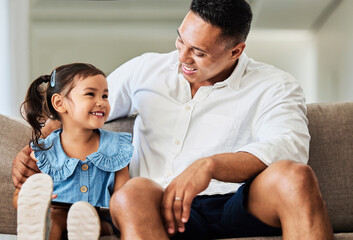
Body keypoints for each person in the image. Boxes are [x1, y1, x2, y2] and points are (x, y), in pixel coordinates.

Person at [12, 0, 334, 239]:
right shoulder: (146, 69)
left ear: (235, 51)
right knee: (129, 194)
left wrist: (210, 166)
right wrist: (39, 144)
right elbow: (85, 108)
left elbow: (289, 150)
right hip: (158, 204)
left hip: (239, 203)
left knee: (295, 178)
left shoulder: (275, 85)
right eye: (181, 40)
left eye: (198, 52)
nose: (181, 57)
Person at [12, 63, 133, 239]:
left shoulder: (116, 147)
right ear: (60, 103)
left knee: (96, 222)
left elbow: (122, 199)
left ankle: (91, 229)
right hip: (56, 211)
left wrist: (121, 221)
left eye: (105, 96)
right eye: (91, 94)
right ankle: (38, 229)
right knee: (53, 221)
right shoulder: (43, 151)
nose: (101, 102)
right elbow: (19, 196)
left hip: (96, 216)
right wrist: (31, 203)